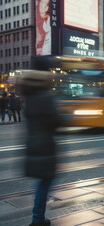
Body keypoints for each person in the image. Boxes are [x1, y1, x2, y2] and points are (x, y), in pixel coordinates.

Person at [17, 68, 62, 226]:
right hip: (45, 147)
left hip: (33, 145)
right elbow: (55, 123)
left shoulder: (29, 97)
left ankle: (38, 218)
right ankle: (37, 219)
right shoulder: (46, 97)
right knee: (45, 182)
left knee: (42, 182)